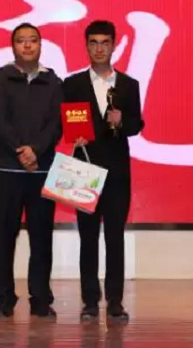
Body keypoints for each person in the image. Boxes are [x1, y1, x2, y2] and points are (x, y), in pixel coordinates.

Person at [62, 20, 144, 322]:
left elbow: (136, 125)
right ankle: (89, 301)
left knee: (114, 238)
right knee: (87, 239)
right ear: (86, 46)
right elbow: (66, 121)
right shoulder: (72, 84)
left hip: (118, 173)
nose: (99, 48)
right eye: (94, 42)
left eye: (105, 42)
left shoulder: (128, 85)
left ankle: (115, 301)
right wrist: (73, 135)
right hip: (83, 168)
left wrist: (122, 122)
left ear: (113, 46)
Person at [0, 22, 63, 319]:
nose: (27, 45)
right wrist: (21, 149)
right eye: (21, 40)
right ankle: (4, 298)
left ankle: (41, 298)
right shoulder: (0, 79)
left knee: (42, 237)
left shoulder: (54, 82)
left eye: (33, 40)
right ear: (13, 46)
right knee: (4, 236)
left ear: (41, 45)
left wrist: (37, 151)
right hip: (6, 171)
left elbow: (56, 124)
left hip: (41, 170)